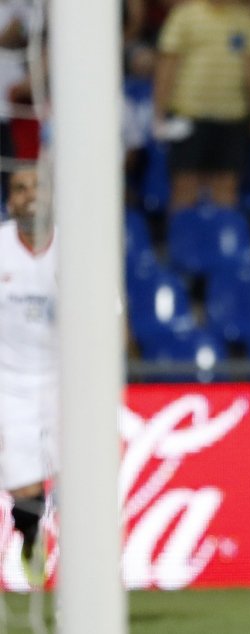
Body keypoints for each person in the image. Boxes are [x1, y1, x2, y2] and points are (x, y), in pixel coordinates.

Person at [154, 0, 250, 211]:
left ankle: (222, 240)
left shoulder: (245, 19)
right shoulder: (184, 15)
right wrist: (159, 113)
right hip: (188, 116)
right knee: (184, 187)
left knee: (226, 189)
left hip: (232, 119)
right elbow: (167, 65)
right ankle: (183, 241)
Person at [0, 166, 55, 587]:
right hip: (10, 383)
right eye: (20, 188)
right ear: (10, 200)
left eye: (37, 186)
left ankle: (85, 578)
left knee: (81, 481)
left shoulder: (80, 247)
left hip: (67, 382)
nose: (29, 195)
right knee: (24, 489)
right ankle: (31, 540)